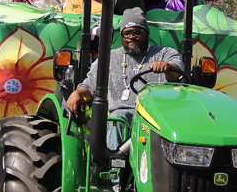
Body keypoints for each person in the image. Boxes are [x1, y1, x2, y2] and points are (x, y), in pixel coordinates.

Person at [66, 8, 184, 148]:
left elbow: (177, 73)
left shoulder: (164, 54)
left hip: (156, 117)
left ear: (147, 32)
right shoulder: (108, 58)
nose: (131, 37)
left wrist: (167, 67)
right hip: (122, 116)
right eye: (127, 33)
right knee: (117, 118)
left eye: (137, 32)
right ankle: (114, 166)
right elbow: (90, 85)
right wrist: (78, 93)